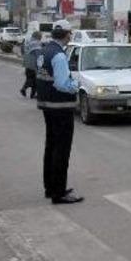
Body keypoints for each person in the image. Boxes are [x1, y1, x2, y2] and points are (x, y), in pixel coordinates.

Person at [35, 20, 83, 204]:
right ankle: (59, 192)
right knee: (61, 151)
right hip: (60, 107)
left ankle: (50, 187)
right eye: (69, 33)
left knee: (51, 147)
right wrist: (76, 85)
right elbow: (62, 84)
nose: (70, 36)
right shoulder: (59, 56)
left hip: (47, 105)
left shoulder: (44, 51)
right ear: (65, 34)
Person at [20, 31, 42, 98]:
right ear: (38, 36)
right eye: (40, 36)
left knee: (30, 77)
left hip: (27, 59)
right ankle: (24, 89)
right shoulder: (37, 43)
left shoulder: (28, 41)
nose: (41, 38)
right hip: (33, 61)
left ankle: (32, 94)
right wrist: (40, 64)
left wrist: (24, 55)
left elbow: (22, 48)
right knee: (33, 78)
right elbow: (38, 54)